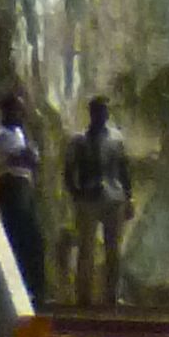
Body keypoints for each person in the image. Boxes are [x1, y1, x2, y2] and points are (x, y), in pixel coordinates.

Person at [65, 99, 132, 308]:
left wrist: (129, 197)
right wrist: (76, 193)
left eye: (104, 111)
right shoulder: (79, 141)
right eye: (97, 111)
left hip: (114, 197)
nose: (101, 115)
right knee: (86, 249)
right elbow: (69, 171)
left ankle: (112, 295)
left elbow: (124, 170)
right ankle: (83, 296)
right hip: (88, 198)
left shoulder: (116, 139)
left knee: (114, 250)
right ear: (91, 113)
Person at [0, 88, 45, 306]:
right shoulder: (1, 133)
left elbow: (34, 158)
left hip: (26, 184)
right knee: (18, 233)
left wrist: (28, 155)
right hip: (12, 184)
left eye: (21, 110)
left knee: (34, 238)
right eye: (16, 110)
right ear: (7, 111)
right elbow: (17, 157)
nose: (20, 114)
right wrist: (26, 155)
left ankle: (35, 288)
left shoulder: (22, 133)